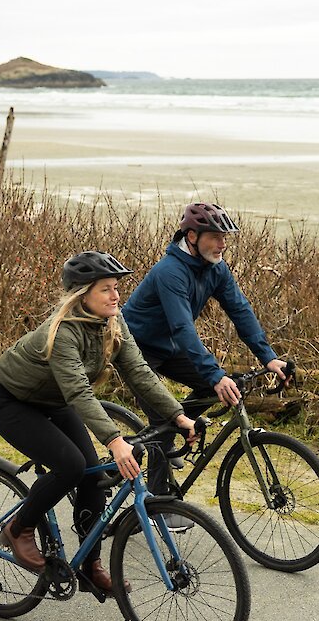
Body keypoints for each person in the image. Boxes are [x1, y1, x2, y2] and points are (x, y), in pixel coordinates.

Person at [0, 250, 197, 595]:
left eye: (116, 287)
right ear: (82, 295)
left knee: (93, 475)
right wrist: (114, 440)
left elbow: (139, 373)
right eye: (106, 289)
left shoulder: (114, 321)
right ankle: (19, 529)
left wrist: (179, 416)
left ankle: (89, 565)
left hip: (54, 401)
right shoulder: (64, 331)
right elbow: (80, 393)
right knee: (69, 465)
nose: (116, 295)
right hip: (12, 401)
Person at [121, 202, 290, 507]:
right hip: (136, 349)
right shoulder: (169, 272)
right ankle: (158, 503)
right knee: (163, 416)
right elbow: (183, 327)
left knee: (200, 393)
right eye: (215, 236)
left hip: (169, 347)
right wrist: (215, 375)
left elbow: (240, 310)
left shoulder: (215, 268)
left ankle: (175, 432)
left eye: (225, 236)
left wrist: (268, 357)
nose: (222, 243)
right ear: (192, 236)